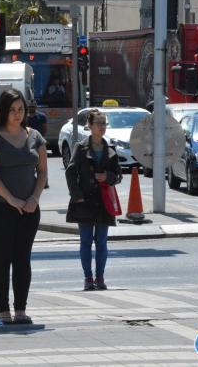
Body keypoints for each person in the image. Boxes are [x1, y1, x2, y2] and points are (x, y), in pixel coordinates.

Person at [0, 89, 48, 326]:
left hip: (29, 209)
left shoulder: (35, 136)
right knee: (3, 257)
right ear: (4, 111)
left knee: (22, 258)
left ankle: (21, 310)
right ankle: (3, 311)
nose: (17, 114)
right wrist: (11, 199)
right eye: (12, 110)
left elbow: (43, 172)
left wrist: (34, 199)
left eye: (21, 109)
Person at [65, 109, 122, 291]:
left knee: (102, 241)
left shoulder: (110, 149)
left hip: (103, 201)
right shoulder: (80, 148)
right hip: (85, 202)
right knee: (86, 241)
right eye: (98, 123)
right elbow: (70, 171)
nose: (102, 127)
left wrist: (107, 176)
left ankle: (100, 277)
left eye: (104, 123)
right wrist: (77, 195)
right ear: (89, 126)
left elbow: (119, 175)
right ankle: (88, 278)